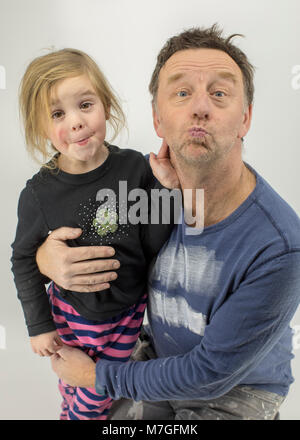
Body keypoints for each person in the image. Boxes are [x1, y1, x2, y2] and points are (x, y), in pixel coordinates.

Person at [37, 25, 300, 420]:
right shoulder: (144, 192)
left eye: (219, 93)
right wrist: (45, 257)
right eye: (182, 93)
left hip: (236, 388)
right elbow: (84, 234)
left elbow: (210, 374)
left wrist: (97, 376)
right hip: (155, 359)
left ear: (245, 119)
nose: (200, 107)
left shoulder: (279, 245)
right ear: (158, 120)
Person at [11, 48, 177, 420]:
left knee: (95, 393)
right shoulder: (39, 193)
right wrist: (39, 326)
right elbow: (23, 259)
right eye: (58, 114)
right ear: (41, 128)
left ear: (106, 105)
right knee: (71, 381)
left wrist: (167, 192)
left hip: (124, 314)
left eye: (85, 105)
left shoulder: (135, 168)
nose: (76, 122)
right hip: (69, 312)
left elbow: (152, 244)